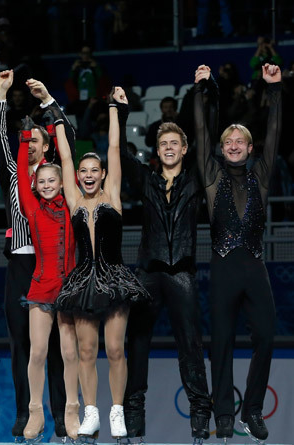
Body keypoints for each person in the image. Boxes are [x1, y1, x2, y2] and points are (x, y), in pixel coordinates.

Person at [193, 63, 281, 443]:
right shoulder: (211, 176)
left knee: (266, 335)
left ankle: (253, 410)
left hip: (255, 267)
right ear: (222, 147)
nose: (233, 145)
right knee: (222, 343)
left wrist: (275, 91)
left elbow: (275, 132)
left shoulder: (260, 176)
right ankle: (224, 415)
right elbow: (199, 132)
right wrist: (200, 90)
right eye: (228, 140)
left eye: (240, 141)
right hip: (223, 268)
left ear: (249, 147)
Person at [55, 87, 149, 441]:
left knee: (113, 349)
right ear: (78, 175)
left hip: (114, 279)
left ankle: (116, 411)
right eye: (84, 170)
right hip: (82, 283)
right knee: (86, 350)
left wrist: (112, 107)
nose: (88, 174)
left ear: (103, 173)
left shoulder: (111, 195)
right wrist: (56, 119)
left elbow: (113, 147)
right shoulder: (74, 199)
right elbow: (64, 158)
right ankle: (90, 411)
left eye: (95, 170)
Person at [0, 71, 72, 441]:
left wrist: (48, 101)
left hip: (56, 265)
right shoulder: (14, 171)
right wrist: (1, 94)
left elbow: (67, 134)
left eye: (40, 139)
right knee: (23, 344)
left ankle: (61, 416)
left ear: (48, 146)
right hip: (22, 264)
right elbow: (0, 137)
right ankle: (26, 414)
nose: (34, 144)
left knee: (59, 347)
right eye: (30, 139)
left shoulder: (60, 177)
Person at [121, 109, 212, 439]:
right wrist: (120, 108)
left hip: (182, 274)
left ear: (184, 149)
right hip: (148, 274)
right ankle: (134, 419)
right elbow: (119, 152)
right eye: (163, 144)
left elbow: (207, 133)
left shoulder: (195, 179)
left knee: (191, 346)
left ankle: (200, 418)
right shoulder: (146, 179)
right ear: (157, 151)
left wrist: (204, 93)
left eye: (175, 143)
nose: (169, 148)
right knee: (138, 344)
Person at [14, 86, 79, 443]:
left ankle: (71, 409)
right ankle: (35, 411)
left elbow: (67, 163)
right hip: (40, 286)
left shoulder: (69, 204)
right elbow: (24, 173)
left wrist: (55, 129)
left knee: (69, 353)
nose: (49, 184)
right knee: (37, 352)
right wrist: (25, 139)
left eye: (54, 180)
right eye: (43, 181)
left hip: (68, 287)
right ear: (36, 186)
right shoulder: (32, 206)